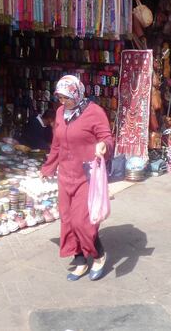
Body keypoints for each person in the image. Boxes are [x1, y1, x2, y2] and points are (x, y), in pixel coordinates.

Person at [40, 75, 113, 281]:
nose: (63, 102)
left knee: (83, 222)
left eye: (67, 98)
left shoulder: (94, 112)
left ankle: (98, 255)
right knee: (68, 221)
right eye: (60, 98)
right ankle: (80, 261)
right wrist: (48, 168)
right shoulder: (61, 113)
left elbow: (106, 137)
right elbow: (57, 144)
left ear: (78, 93)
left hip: (87, 176)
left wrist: (103, 146)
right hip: (66, 175)